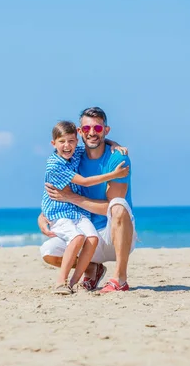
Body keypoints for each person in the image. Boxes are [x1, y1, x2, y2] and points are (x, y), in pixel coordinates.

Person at [38, 107, 137, 293]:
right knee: (48, 252)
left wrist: (70, 197)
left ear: (106, 130)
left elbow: (111, 208)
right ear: (79, 131)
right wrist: (43, 215)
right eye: (87, 129)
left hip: (113, 234)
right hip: (87, 233)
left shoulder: (118, 159)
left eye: (98, 129)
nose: (92, 133)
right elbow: (58, 192)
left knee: (118, 206)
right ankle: (92, 268)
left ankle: (120, 278)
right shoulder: (73, 155)